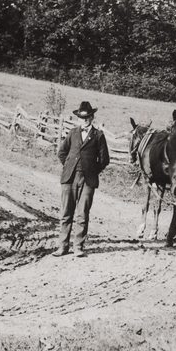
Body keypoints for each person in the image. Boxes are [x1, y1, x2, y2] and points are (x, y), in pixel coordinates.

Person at [53, 101, 109, 257]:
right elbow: (61, 153)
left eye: (87, 117)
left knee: (82, 214)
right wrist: (69, 166)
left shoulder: (98, 135)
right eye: (81, 117)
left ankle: (78, 247)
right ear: (78, 118)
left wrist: (91, 170)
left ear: (92, 117)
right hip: (69, 178)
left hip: (88, 180)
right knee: (66, 213)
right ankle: (62, 247)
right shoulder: (73, 133)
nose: (84, 120)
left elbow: (104, 160)